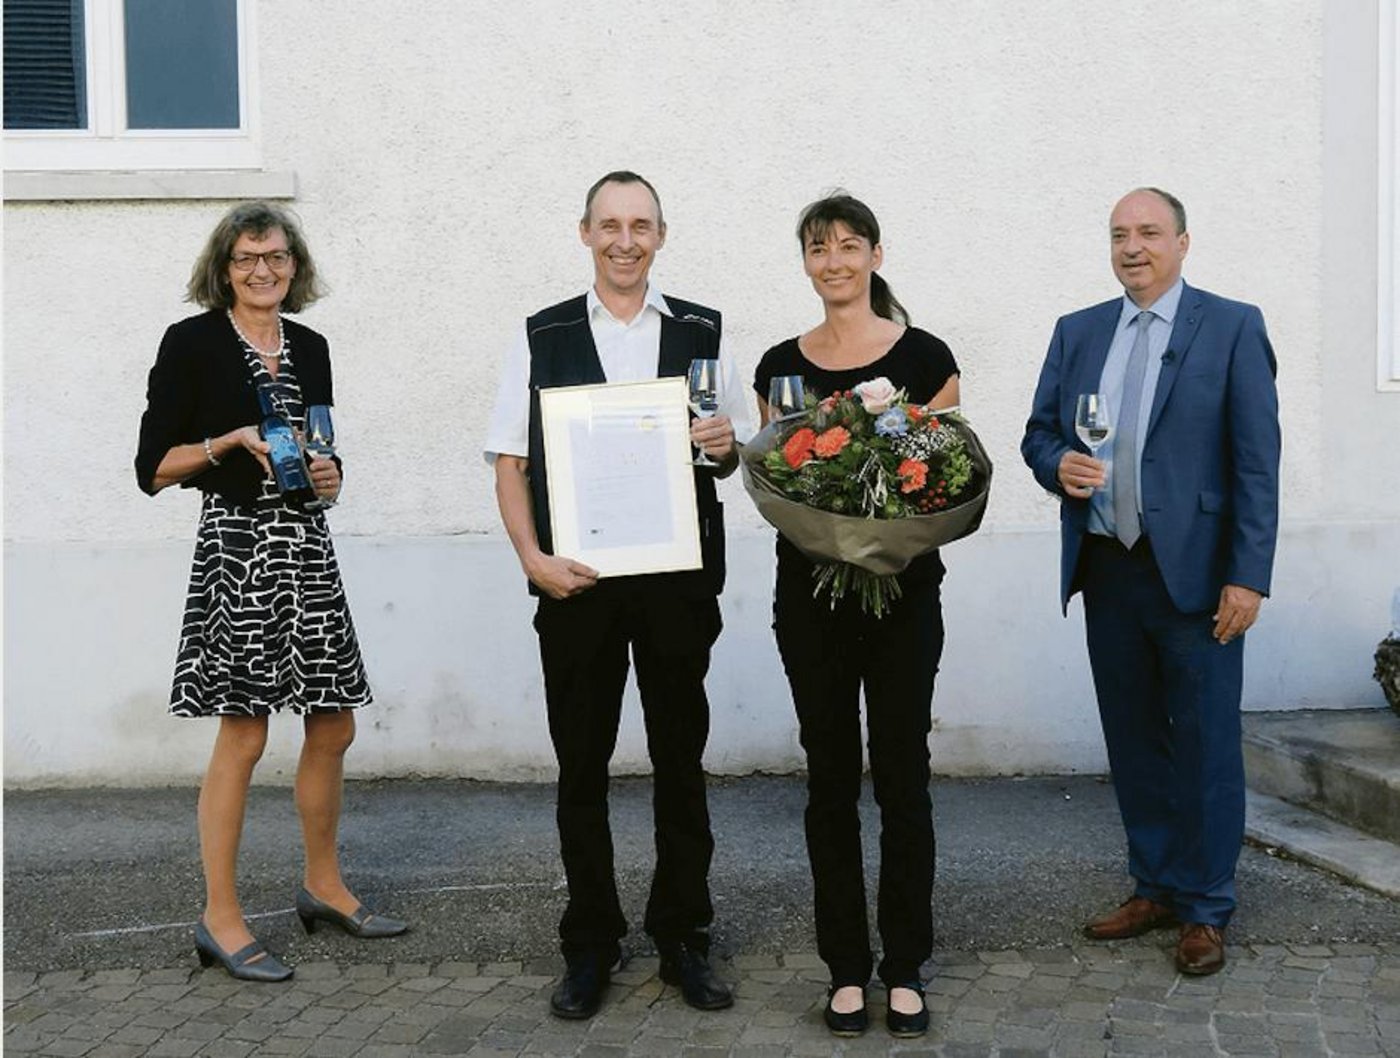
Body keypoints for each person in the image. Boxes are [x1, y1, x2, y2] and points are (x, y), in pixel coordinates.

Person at [484, 171, 748, 1019]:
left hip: (676, 583)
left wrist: (725, 445)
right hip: (577, 585)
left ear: (661, 235)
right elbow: (511, 462)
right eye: (609, 225)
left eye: (640, 225)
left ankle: (683, 938)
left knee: (680, 763)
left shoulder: (704, 331)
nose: (625, 240)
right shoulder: (542, 334)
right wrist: (532, 558)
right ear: (585, 233)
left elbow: (729, 457)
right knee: (582, 771)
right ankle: (590, 945)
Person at [135, 202, 406, 983]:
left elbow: (323, 453)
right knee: (245, 734)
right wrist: (226, 442)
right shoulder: (190, 343)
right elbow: (152, 466)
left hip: (307, 546)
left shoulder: (311, 347)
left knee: (333, 725)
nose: (265, 271)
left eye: (278, 258)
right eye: (249, 258)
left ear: (296, 266)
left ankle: (323, 885)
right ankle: (220, 916)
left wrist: (331, 476)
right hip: (240, 546)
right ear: (224, 267)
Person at [1021, 187, 1280, 976]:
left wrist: (1248, 575)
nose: (1133, 247)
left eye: (1149, 233)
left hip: (1199, 576)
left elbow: (1255, 463)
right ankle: (1156, 883)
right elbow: (1040, 433)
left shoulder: (1232, 326)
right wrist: (1054, 463)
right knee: (1133, 738)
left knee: (1204, 744)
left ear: (1183, 242)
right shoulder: (1080, 330)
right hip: (1109, 567)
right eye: (1119, 235)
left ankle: (1205, 907)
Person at [752, 192, 960, 1039]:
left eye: (848, 244)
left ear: (876, 254)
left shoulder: (926, 355)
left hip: (905, 598)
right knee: (829, 781)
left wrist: (884, 534)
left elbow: (944, 478)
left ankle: (905, 965)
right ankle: (845, 967)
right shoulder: (779, 368)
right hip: (810, 603)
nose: (833, 260)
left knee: (904, 779)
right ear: (804, 261)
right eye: (817, 247)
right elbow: (775, 482)